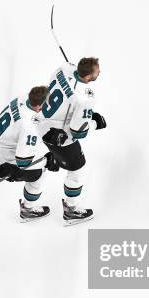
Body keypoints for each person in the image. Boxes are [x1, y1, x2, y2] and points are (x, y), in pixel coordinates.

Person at [0, 86, 60, 222]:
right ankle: (27, 209)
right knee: (41, 172)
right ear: (39, 106)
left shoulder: (21, 99)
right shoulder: (29, 126)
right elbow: (23, 162)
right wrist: (46, 161)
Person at [38, 57, 107, 225]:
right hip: (57, 137)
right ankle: (71, 210)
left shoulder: (63, 69)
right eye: (97, 71)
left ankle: (30, 201)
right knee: (77, 170)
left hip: (41, 123)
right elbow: (78, 131)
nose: (100, 72)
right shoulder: (85, 98)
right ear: (88, 76)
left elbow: (69, 74)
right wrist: (95, 123)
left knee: (53, 159)